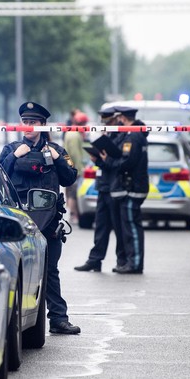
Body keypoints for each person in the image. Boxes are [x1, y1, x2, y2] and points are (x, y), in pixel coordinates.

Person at [0, 101, 81, 335]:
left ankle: (58, 319)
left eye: (33, 122)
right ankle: (14, 319)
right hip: (20, 222)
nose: (28, 126)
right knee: (18, 270)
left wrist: (56, 158)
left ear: (43, 125)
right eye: (25, 122)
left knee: (50, 270)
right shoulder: (11, 149)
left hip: (49, 222)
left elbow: (69, 179)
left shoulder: (56, 150)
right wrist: (15, 156)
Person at [74, 105, 131, 273]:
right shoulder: (107, 135)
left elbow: (118, 163)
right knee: (100, 226)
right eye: (103, 119)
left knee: (118, 227)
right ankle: (95, 260)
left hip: (115, 186)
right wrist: (97, 158)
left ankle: (122, 259)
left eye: (108, 119)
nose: (104, 122)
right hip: (103, 185)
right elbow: (106, 163)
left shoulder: (122, 136)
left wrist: (104, 158)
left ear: (116, 119)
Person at [111, 105, 149, 274]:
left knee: (132, 228)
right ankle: (133, 262)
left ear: (123, 119)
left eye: (119, 118)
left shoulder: (132, 136)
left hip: (133, 187)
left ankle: (135, 263)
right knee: (129, 226)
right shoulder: (137, 133)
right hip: (134, 185)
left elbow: (127, 162)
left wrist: (111, 164)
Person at [62, 108, 88, 222]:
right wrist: (78, 169)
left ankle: (73, 213)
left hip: (68, 166)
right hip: (73, 168)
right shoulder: (75, 135)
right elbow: (75, 154)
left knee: (70, 191)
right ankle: (73, 214)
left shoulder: (70, 132)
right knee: (73, 192)